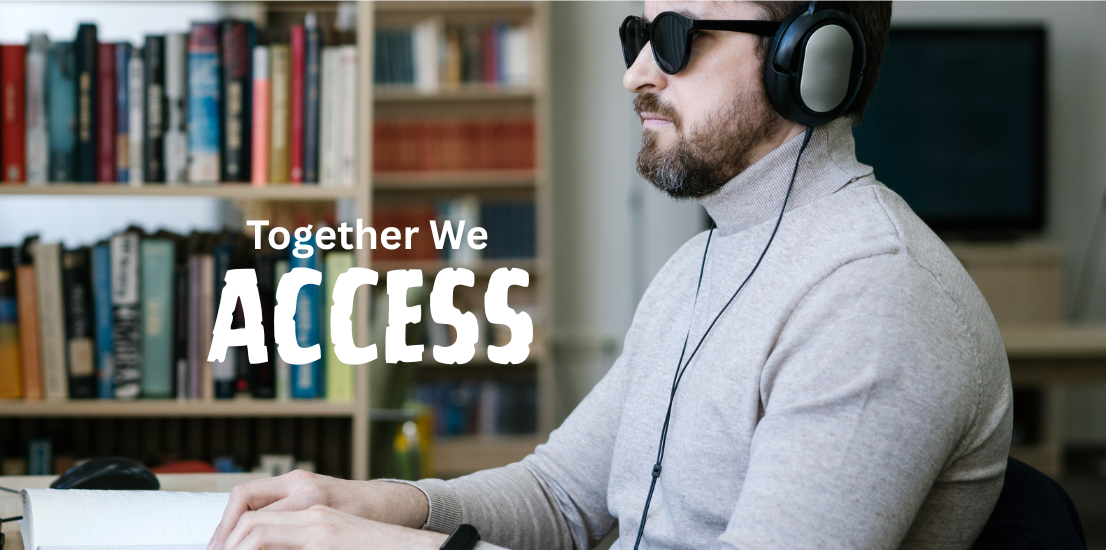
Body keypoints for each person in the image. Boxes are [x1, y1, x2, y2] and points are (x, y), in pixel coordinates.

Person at [206, 0, 1013, 548]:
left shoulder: (873, 296)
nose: (636, 74)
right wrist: (381, 504)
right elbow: (564, 493)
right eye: (637, 36)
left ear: (812, 60)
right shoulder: (699, 263)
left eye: (677, 37)